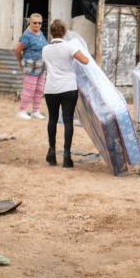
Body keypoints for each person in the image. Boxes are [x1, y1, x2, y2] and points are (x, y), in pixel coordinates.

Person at [42, 19, 89, 168]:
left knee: (52, 119)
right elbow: (86, 61)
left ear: (51, 32)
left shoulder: (45, 49)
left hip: (51, 88)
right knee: (68, 120)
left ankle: (51, 152)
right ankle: (67, 156)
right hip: (68, 87)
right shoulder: (70, 47)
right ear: (64, 32)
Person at [14, 13, 48, 120]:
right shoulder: (26, 36)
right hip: (30, 65)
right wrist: (20, 61)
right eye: (35, 23)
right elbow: (17, 50)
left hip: (41, 65)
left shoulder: (41, 33)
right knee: (29, 89)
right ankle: (22, 111)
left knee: (39, 89)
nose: (37, 25)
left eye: (40, 23)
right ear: (30, 22)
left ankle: (35, 111)